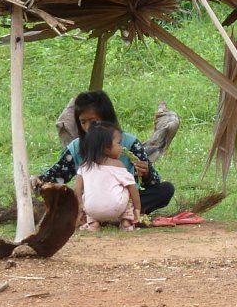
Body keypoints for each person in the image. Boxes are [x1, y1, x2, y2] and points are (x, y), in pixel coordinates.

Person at [34, 90, 175, 214]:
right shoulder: (77, 148)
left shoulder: (129, 143)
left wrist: (147, 173)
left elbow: (154, 183)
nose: (88, 127)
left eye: (93, 121)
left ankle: (119, 213)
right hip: (92, 203)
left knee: (166, 189)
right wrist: (37, 182)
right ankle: (111, 215)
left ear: (107, 118)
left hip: (125, 201)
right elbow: (55, 177)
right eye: (83, 122)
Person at [75, 121, 142, 231]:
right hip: (116, 209)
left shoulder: (84, 166)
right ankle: (126, 222)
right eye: (119, 143)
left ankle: (93, 224)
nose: (121, 147)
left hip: (92, 210)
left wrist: (80, 209)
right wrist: (138, 209)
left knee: (86, 195)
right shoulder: (118, 165)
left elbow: (77, 191)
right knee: (127, 188)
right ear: (106, 147)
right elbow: (133, 188)